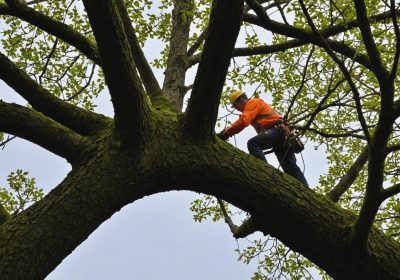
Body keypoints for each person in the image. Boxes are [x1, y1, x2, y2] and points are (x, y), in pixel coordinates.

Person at [217, 90, 309, 187]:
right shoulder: (253, 106)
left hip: (277, 131)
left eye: (236, 106)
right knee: (290, 167)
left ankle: (264, 172)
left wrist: (225, 134)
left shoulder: (253, 103)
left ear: (241, 100)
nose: (237, 109)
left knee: (253, 143)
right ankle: (305, 189)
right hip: (282, 135)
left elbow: (244, 121)